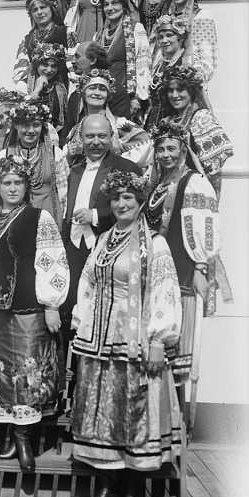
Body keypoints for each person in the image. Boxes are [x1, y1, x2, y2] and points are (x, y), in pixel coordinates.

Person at [70, 169, 183, 497]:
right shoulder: (103, 241)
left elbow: (164, 291)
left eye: (128, 198)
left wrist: (157, 341)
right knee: (103, 415)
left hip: (135, 340)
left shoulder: (155, 244)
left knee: (134, 414)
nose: (121, 204)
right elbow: (87, 284)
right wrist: (81, 325)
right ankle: (107, 488)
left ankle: (134, 490)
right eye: (116, 198)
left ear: (139, 203)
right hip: (100, 341)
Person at [0, 155, 69, 472]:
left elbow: (53, 259)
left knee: (28, 374)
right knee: (4, 375)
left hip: (29, 309)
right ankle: (9, 438)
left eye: (18, 182)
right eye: (6, 182)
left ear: (26, 186)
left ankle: (24, 439)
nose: (12, 188)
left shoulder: (40, 218)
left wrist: (51, 304)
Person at [141, 120, 222, 426]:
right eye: (160, 148)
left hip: (182, 272)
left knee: (176, 348)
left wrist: (201, 267)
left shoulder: (194, 183)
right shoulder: (156, 184)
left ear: (183, 149)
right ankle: (155, 422)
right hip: (155, 271)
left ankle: (175, 427)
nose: (165, 154)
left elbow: (204, 227)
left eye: (171, 148)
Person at [60, 114, 143, 360]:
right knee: (70, 310)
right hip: (73, 250)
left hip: (107, 250)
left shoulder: (126, 168)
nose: (96, 142)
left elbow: (133, 207)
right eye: (90, 136)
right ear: (81, 138)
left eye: (102, 136)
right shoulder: (73, 170)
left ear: (111, 137)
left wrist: (95, 215)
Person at [0, 97, 68, 225]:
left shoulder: (55, 154)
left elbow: (64, 195)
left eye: (36, 125)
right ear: (16, 126)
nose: (31, 131)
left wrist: (63, 224)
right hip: (13, 223)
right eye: (26, 125)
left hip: (47, 220)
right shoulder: (3, 157)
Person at [152, 66, 233, 198]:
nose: (174, 95)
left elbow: (214, 167)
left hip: (193, 190)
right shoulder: (167, 121)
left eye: (180, 90)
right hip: (168, 191)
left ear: (191, 91)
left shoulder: (201, 118)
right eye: (170, 90)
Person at [62, 66, 153, 175]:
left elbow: (146, 145)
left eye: (102, 89)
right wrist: (69, 156)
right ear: (83, 94)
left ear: (107, 95)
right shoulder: (75, 129)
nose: (97, 93)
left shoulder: (119, 124)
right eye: (92, 88)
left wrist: (117, 164)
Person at [93, 0, 152, 121]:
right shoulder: (98, 35)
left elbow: (143, 63)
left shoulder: (135, 29)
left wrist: (137, 98)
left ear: (124, 6)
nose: (110, 8)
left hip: (126, 96)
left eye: (114, 3)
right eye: (106, 4)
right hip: (102, 95)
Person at [10, 0, 78, 88]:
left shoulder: (66, 32)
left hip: (62, 86)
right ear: (31, 14)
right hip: (35, 88)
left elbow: (74, 63)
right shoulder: (27, 40)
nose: (39, 12)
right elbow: (20, 71)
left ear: (52, 9)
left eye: (43, 7)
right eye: (35, 10)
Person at [166, 0, 218, 82]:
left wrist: (193, 78)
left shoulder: (202, 16)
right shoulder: (168, 19)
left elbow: (207, 54)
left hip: (191, 81)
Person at [144, 16, 191, 129]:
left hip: (177, 122)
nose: (164, 40)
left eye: (169, 35)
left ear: (180, 38)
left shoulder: (187, 62)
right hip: (155, 120)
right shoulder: (160, 63)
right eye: (160, 37)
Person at [25, 42, 70, 133]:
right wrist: (37, 90)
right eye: (45, 65)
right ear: (37, 64)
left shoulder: (65, 86)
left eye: (53, 66)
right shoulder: (23, 85)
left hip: (57, 136)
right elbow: (21, 113)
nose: (49, 70)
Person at [0, 86, 25, 153]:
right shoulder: (7, 139)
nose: (5, 118)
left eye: (8, 112)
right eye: (1, 117)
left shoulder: (29, 134)